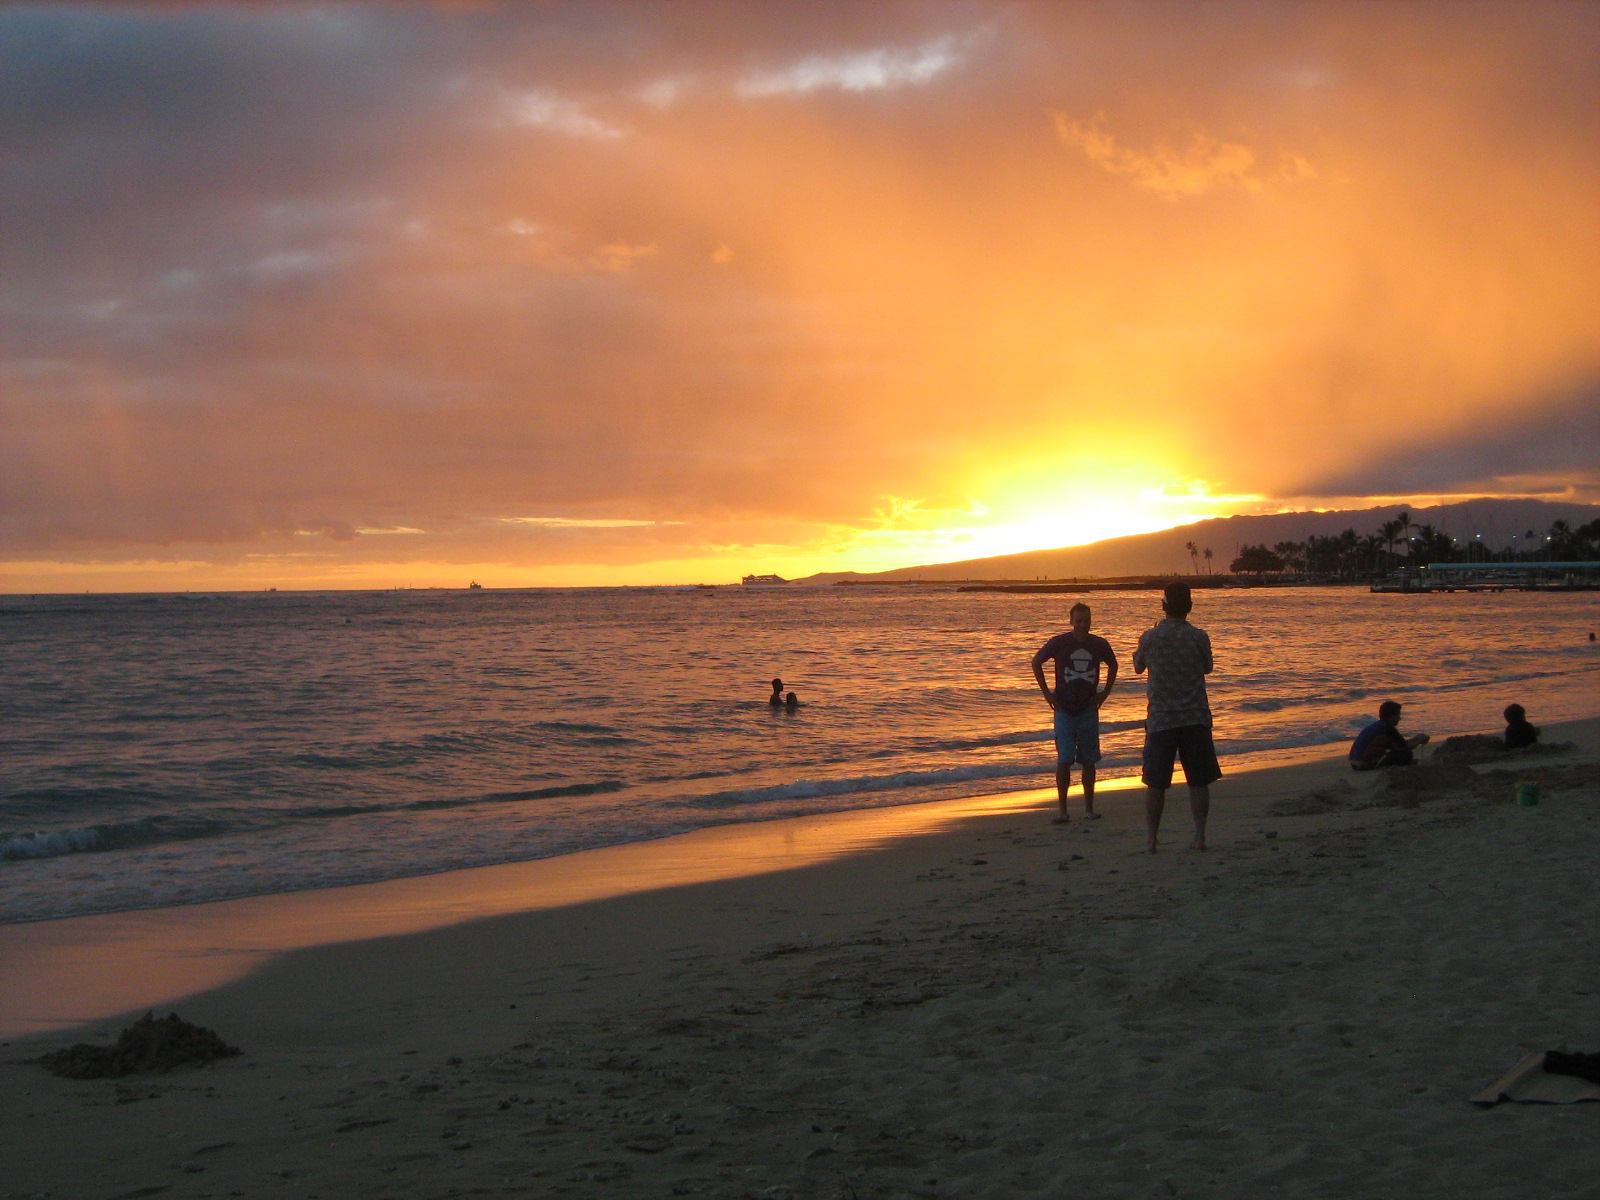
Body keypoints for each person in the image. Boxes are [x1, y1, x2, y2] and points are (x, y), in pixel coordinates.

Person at [1133, 581, 1219, 853]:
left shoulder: (1150, 638)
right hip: (1194, 716)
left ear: (1164, 605)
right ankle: (1199, 836)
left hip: (1161, 719)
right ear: (1189, 607)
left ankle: (1151, 840)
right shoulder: (1199, 637)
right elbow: (1207, 667)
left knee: (1156, 783)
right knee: (1198, 780)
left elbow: (1137, 666)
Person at [1031, 602, 1118, 823]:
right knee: (1065, 759)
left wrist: (1104, 693)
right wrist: (1047, 694)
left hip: (1089, 709)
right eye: (1078, 620)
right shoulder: (1059, 643)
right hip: (1064, 710)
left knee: (1089, 760)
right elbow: (1036, 662)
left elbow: (1113, 665)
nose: (1082, 625)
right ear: (1071, 621)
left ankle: (1089, 809)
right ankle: (1062, 811)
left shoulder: (1099, 644)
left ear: (1091, 621)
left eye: (1086, 620)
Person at [1348, 700, 1429, 770]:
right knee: (1406, 755)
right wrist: (1419, 740)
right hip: (1363, 764)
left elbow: (1400, 744)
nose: (1399, 718)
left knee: (1399, 753)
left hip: (1355, 763)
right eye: (1398, 715)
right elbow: (1405, 746)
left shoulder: (1378, 725)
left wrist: (1417, 738)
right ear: (1391, 716)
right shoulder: (1387, 728)